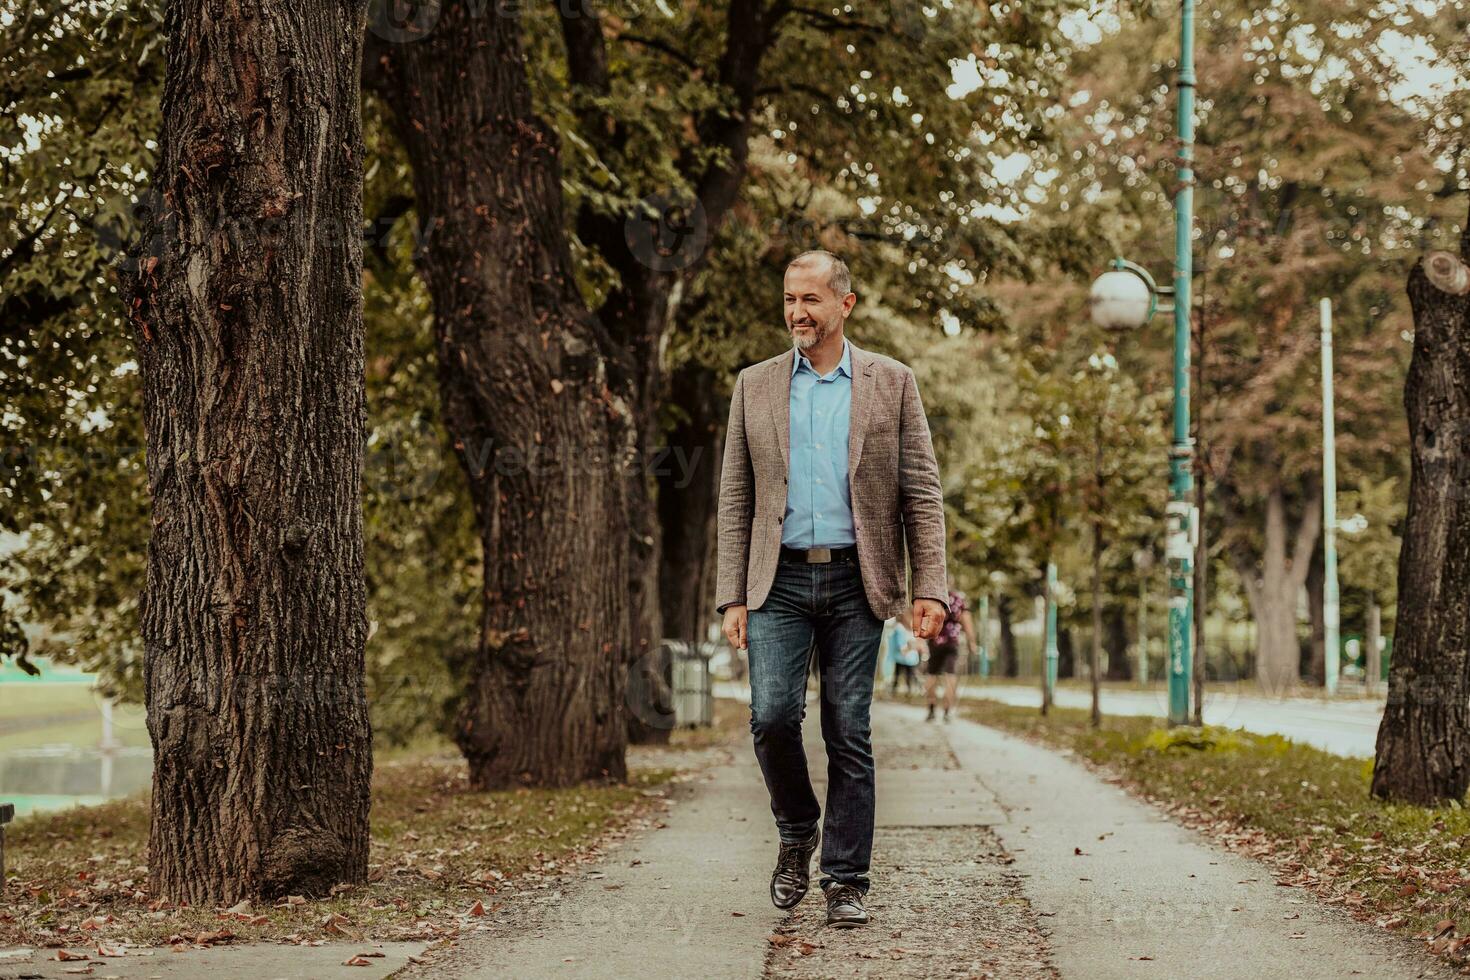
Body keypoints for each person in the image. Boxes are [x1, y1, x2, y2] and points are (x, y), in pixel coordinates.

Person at [715, 250, 949, 929]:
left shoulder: (892, 382)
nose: (796, 313)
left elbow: (922, 492)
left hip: (858, 579)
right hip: (778, 581)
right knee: (772, 716)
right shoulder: (754, 386)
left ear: (845, 304)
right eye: (790, 299)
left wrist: (929, 585)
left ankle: (845, 879)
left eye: (810, 299)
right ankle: (796, 831)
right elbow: (736, 496)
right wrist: (733, 593)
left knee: (848, 727)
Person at [923, 588, 976, 723]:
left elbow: (924, 619)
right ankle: (946, 712)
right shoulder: (958, 599)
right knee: (950, 675)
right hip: (952, 642)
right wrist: (972, 643)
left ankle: (931, 710)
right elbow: (967, 621)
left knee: (931, 675)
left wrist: (920, 639)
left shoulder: (933, 597)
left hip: (935, 641)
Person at [886, 610, 921, 697]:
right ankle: (895, 691)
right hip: (902, 657)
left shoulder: (910, 628)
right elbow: (901, 645)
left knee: (908, 675)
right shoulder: (900, 628)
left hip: (909, 658)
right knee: (898, 674)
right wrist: (910, 647)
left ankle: (908, 692)